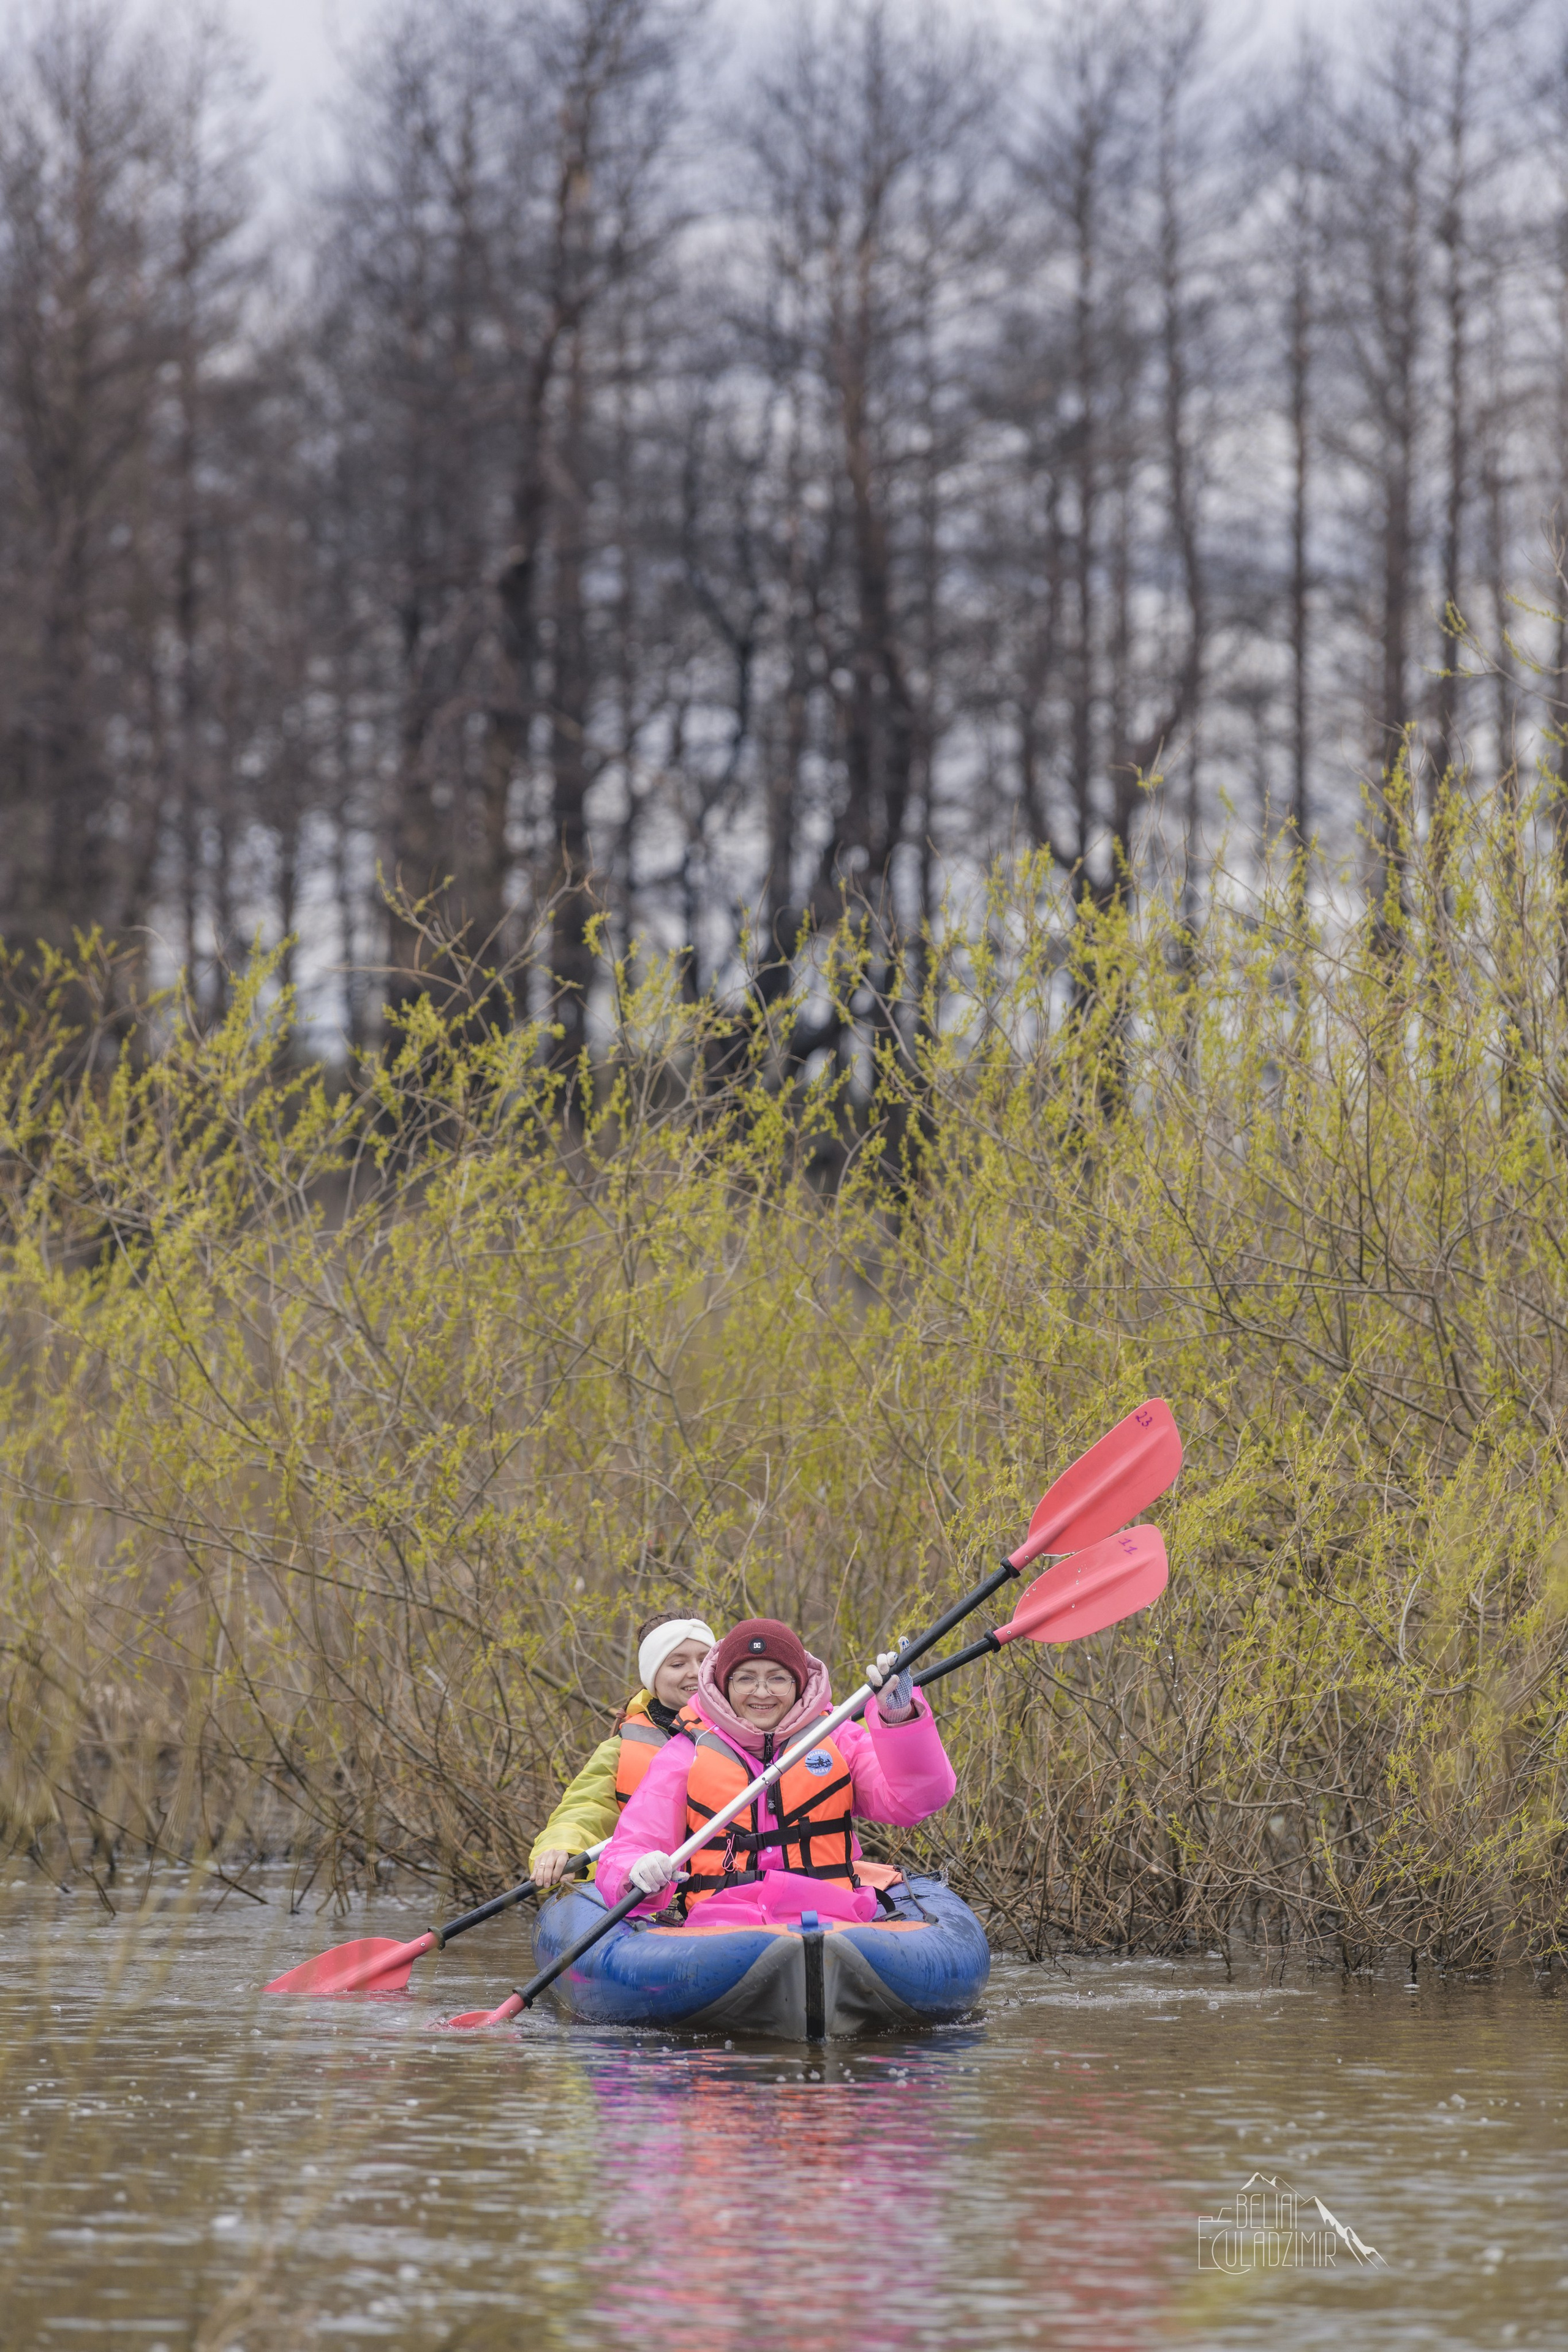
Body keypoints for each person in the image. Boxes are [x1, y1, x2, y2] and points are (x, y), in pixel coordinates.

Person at [596, 1616, 956, 1926]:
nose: (762, 1693)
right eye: (746, 1679)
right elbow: (632, 1845)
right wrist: (636, 1870)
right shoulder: (685, 1752)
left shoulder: (839, 1738)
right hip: (721, 1924)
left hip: (836, 1916)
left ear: (798, 1683)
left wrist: (900, 1717)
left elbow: (917, 1800)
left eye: (778, 1678)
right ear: (725, 1685)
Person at [530, 1613, 717, 1888]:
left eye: (705, 1660)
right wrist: (563, 1847)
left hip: (725, 1884)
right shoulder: (621, 1747)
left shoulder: (749, 1733)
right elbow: (587, 1808)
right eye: (678, 1664)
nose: (695, 1671)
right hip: (652, 1887)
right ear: (653, 1678)